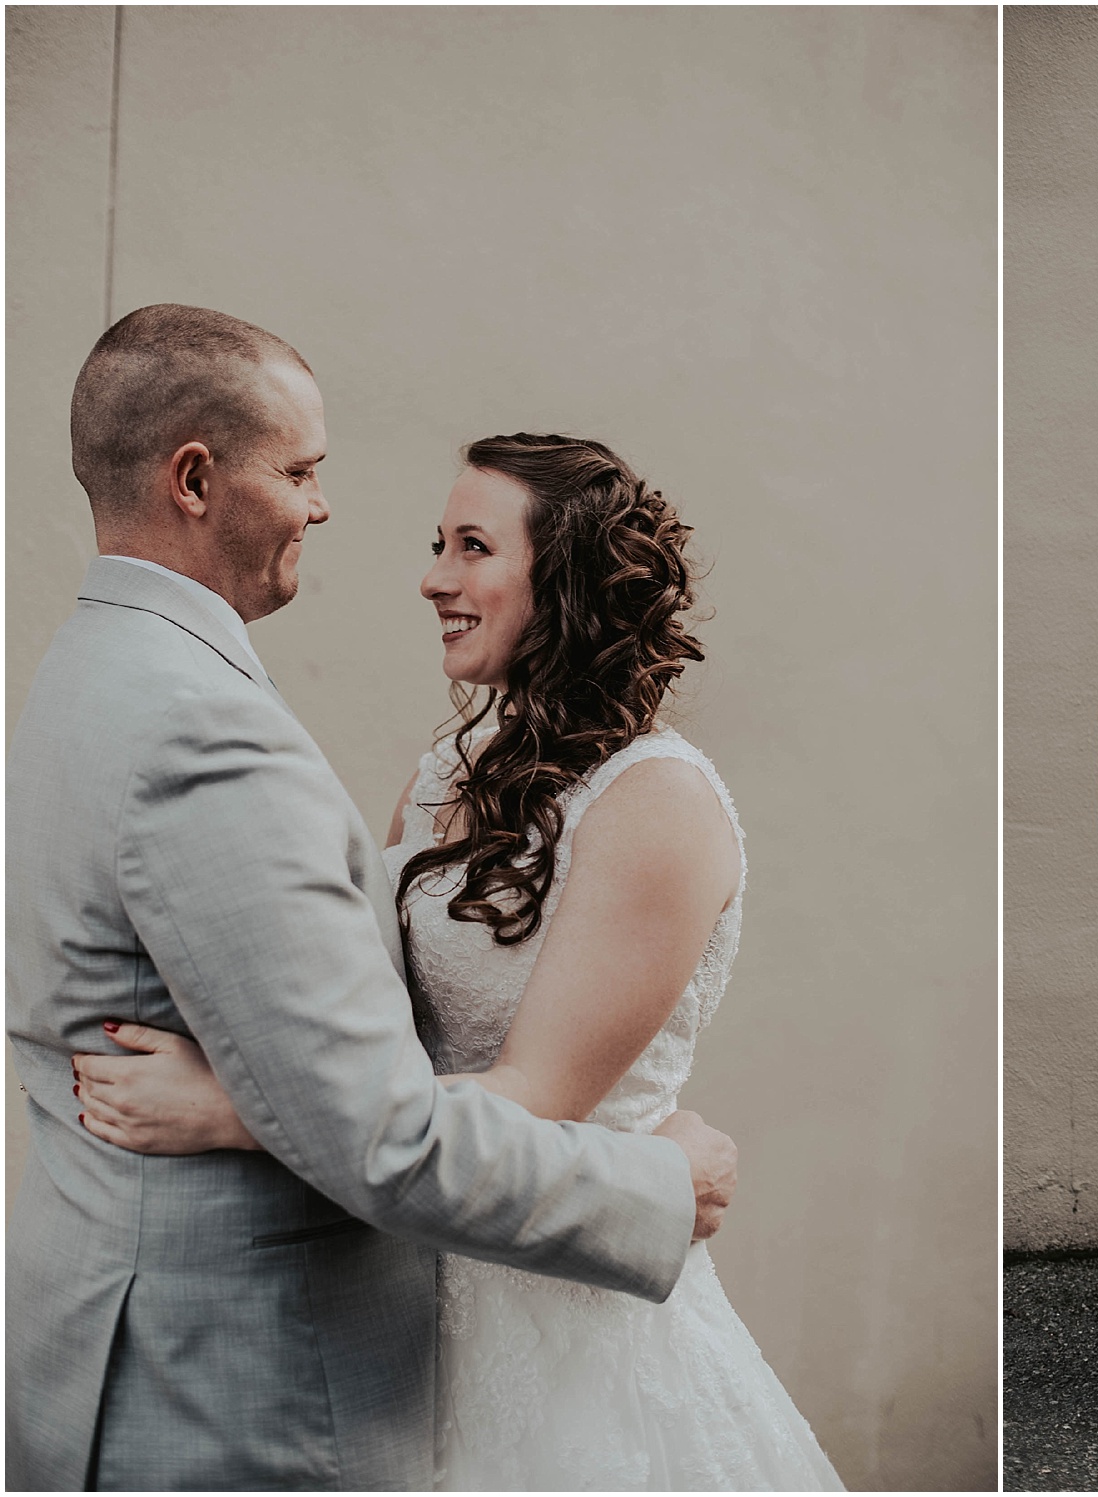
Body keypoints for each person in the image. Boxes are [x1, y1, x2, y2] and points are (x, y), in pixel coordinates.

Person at [7, 305, 739, 1490]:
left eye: (469, 546)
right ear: (195, 478)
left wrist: (238, 1105)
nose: (329, 510)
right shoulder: (247, 735)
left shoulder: (92, 668)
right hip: (246, 1372)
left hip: (514, 1310)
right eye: (301, 470)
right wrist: (663, 1182)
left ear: (565, 577)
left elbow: (417, 1089)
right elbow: (370, 1120)